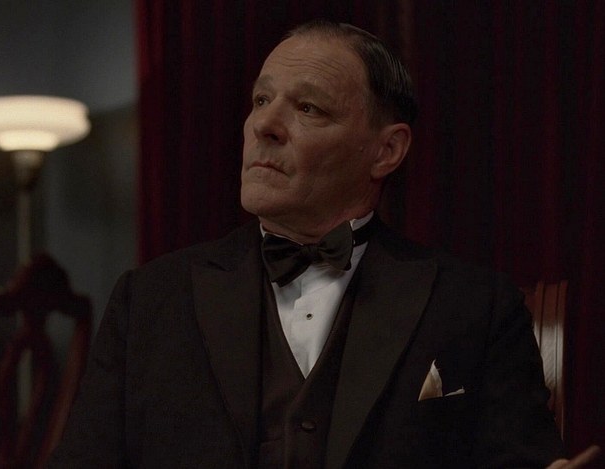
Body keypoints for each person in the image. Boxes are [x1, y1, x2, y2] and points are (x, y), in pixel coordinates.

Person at [50, 21, 595, 468]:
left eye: (308, 108)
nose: (264, 124)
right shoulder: (150, 301)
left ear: (386, 151)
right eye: (261, 99)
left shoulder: (474, 307)